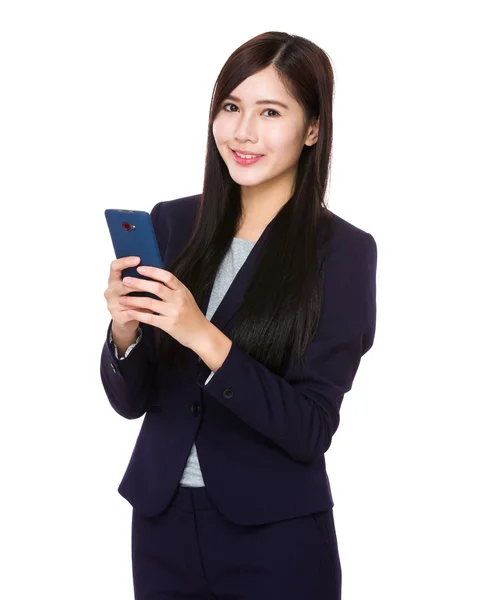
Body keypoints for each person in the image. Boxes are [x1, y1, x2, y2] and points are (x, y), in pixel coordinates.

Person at [100, 30, 377, 600]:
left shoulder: (343, 252)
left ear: (313, 128)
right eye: (231, 107)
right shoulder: (174, 223)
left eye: (270, 111)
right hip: (162, 521)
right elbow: (132, 402)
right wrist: (124, 331)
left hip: (275, 534)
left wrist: (202, 334)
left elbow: (310, 428)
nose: (242, 131)